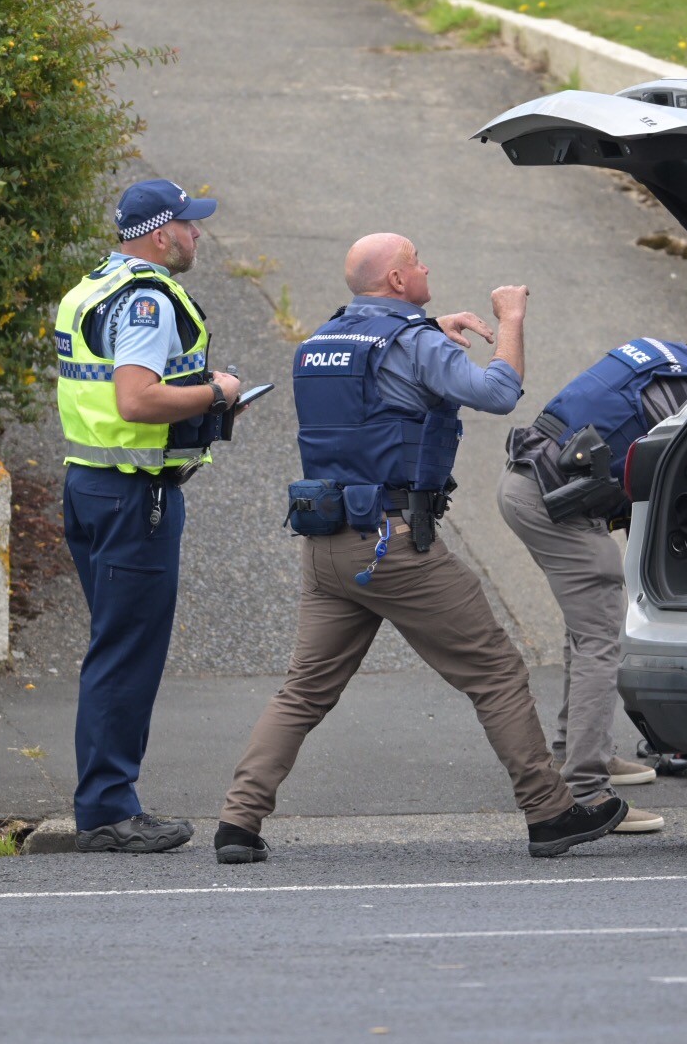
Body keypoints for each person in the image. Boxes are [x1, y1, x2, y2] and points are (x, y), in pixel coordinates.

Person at [216, 232, 629, 863]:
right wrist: (509, 318)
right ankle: (550, 813)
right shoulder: (415, 344)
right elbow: (498, 392)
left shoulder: (320, 344)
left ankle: (237, 825)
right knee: (495, 671)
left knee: (302, 691)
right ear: (397, 281)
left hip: (325, 545)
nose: (427, 266)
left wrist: (429, 325)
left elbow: (380, 367)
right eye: (416, 262)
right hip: (396, 545)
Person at [496, 319, 687, 820]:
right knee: (602, 639)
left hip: (530, 482)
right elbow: (672, 476)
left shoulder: (669, 359)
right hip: (554, 506)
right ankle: (587, 792)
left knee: (589, 629)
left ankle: (573, 751)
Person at [56, 178, 245, 853]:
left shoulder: (92, 287)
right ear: (162, 234)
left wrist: (206, 402)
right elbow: (136, 400)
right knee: (127, 653)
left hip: (90, 484)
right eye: (190, 226)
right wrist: (215, 390)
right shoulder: (145, 300)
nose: (198, 236)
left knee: (115, 646)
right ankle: (109, 809)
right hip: (136, 495)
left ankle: (103, 803)